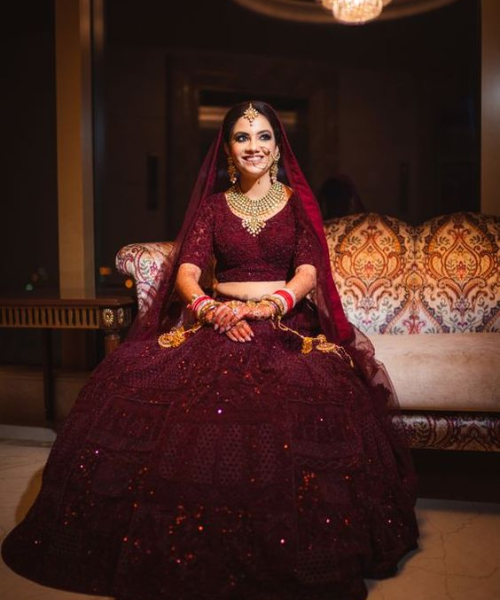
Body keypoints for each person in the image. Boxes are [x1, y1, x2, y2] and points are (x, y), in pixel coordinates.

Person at [2, 101, 419, 600]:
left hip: (284, 322)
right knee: (137, 375)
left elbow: (308, 272)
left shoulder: (296, 205)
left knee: (303, 393)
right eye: (243, 138)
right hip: (218, 320)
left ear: (278, 147)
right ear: (227, 149)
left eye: (264, 136)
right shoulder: (214, 207)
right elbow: (187, 270)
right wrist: (207, 308)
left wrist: (269, 307)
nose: (254, 147)